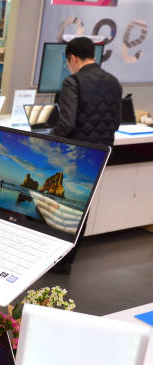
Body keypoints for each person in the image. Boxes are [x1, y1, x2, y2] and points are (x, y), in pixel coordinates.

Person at [52, 36, 122, 274]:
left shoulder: (73, 82)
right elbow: (116, 121)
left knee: (65, 204)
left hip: (76, 153)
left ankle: (57, 260)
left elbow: (67, 124)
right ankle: (68, 261)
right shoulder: (114, 82)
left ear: (72, 58)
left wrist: (52, 135)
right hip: (101, 153)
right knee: (84, 205)